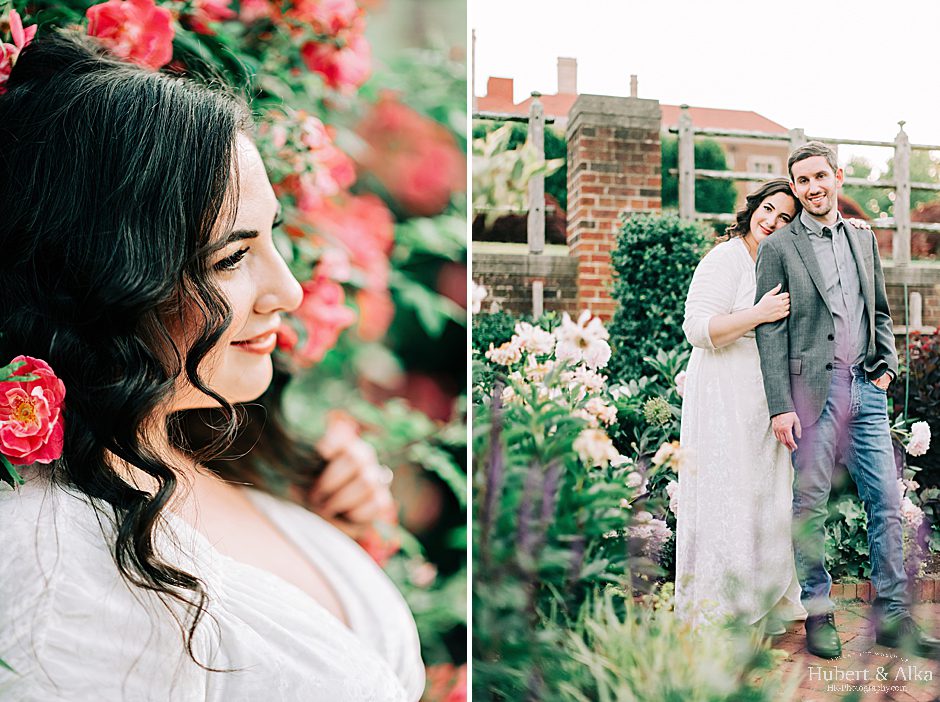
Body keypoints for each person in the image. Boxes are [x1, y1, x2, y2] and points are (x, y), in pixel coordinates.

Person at [0, 30, 424, 700]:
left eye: (273, 237)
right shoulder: (48, 565)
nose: (287, 291)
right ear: (113, 278)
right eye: (231, 258)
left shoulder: (201, 454)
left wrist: (322, 527)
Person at [754, 140, 940, 660]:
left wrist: (887, 367)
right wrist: (779, 405)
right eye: (801, 181)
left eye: (819, 177)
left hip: (866, 389)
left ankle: (895, 620)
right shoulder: (779, 249)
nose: (812, 188)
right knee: (810, 506)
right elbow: (770, 333)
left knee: (884, 501)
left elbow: (879, 309)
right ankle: (819, 615)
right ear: (795, 187)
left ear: (837, 177)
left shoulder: (863, 238)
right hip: (812, 395)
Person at [676, 178, 807, 633]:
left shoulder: (777, 260)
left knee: (764, 495)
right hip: (720, 392)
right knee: (726, 492)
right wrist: (758, 313)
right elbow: (696, 329)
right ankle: (720, 608)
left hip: (762, 395)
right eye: (768, 209)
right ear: (753, 208)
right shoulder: (725, 257)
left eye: (785, 217)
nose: (772, 221)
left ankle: (762, 600)